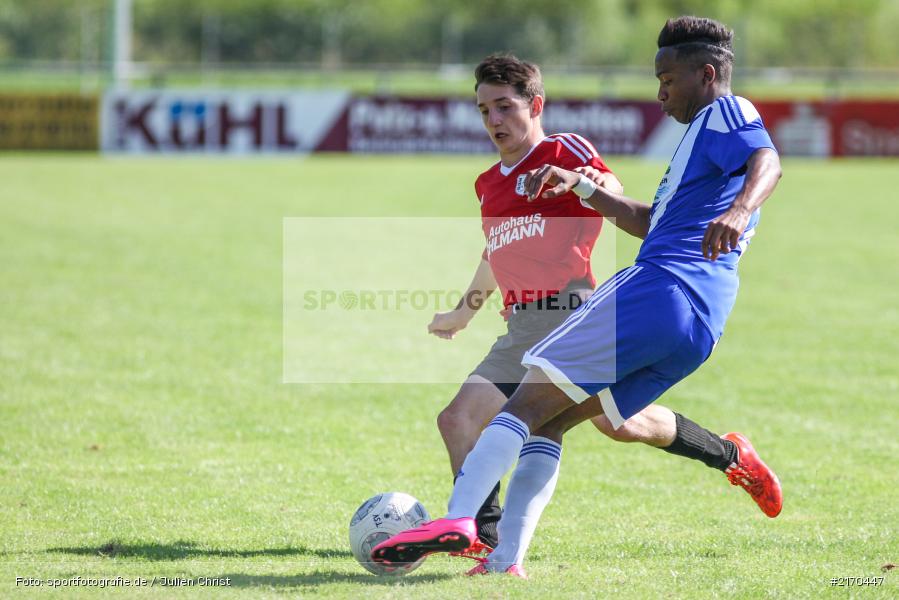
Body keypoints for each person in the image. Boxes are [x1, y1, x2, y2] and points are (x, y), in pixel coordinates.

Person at [375, 16, 784, 577]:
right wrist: (581, 192)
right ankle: (501, 557)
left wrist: (735, 209)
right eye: (484, 109)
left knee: (526, 413)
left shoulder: (722, 113)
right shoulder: (496, 181)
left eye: (667, 79)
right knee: (569, 423)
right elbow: (638, 221)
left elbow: (766, 160)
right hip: (688, 318)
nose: (659, 92)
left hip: (628, 295)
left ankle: (462, 520)